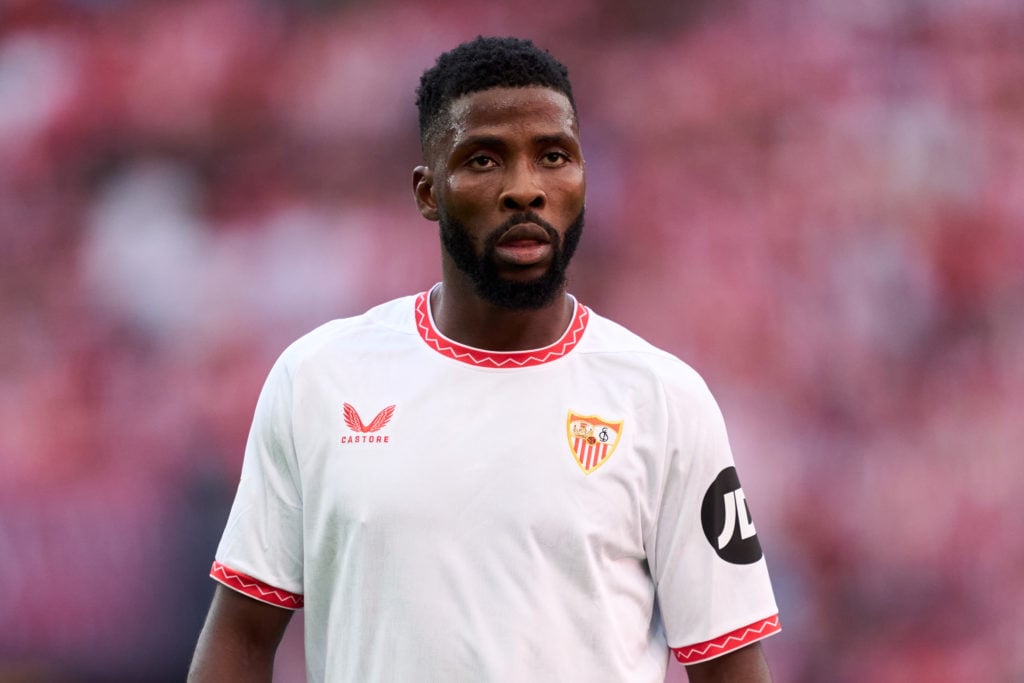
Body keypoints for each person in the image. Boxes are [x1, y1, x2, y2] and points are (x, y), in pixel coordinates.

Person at [188, 36, 780, 683]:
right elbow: (242, 638)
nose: (524, 189)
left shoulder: (665, 400)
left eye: (554, 156)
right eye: (484, 160)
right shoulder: (318, 379)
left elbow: (730, 666)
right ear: (427, 191)